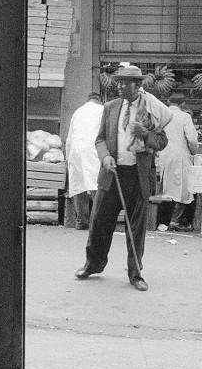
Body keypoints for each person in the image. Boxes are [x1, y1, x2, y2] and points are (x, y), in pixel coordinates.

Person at [75, 65, 173, 291]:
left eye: (124, 83)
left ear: (137, 86)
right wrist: (105, 157)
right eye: (118, 82)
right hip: (112, 174)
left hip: (138, 177)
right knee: (99, 221)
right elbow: (99, 139)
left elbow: (162, 141)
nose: (119, 86)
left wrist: (146, 135)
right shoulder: (110, 108)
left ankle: (135, 274)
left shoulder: (151, 109)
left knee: (136, 229)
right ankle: (92, 265)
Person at [156, 92, 199, 232]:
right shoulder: (184, 116)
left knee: (166, 188)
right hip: (179, 155)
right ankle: (175, 220)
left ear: (169, 101)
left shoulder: (162, 116)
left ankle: (163, 221)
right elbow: (192, 139)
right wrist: (193, 151)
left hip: (163, 154)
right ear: (183, 104)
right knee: (181, 190)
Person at [65, 93, 104, 229]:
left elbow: (69, 137)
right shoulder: (101, 110)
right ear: (100, 101)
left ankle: (81, 221)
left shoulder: (78, 111)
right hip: (92, 147)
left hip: (75, 148)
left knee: (78, 184)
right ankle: (97, 221)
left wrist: (68, 157)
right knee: (95, 182)